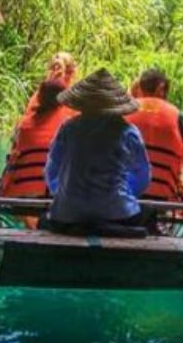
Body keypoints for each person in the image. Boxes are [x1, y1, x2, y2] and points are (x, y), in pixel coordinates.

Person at [44, 68, 153, 232]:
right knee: (149, 214)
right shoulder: (128, 131)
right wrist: (122, 195)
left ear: (83, 104)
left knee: (44, 219)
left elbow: (52, 171)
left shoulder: (68, 128)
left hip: (67, 214)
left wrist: (66, 195)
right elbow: (142, 176)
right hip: (118, 213)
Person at [0, 78, 76, 201]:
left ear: (39, 97)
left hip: (18, 193)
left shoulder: (23, 125)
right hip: (54, 195)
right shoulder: (70, 124)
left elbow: (13, 156)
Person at [128, 68, 183, 202]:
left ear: (140, 87)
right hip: (163, 203)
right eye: (165, 91)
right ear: (161, 89)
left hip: (125, 199)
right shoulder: (177, 116)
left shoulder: (123, 111)